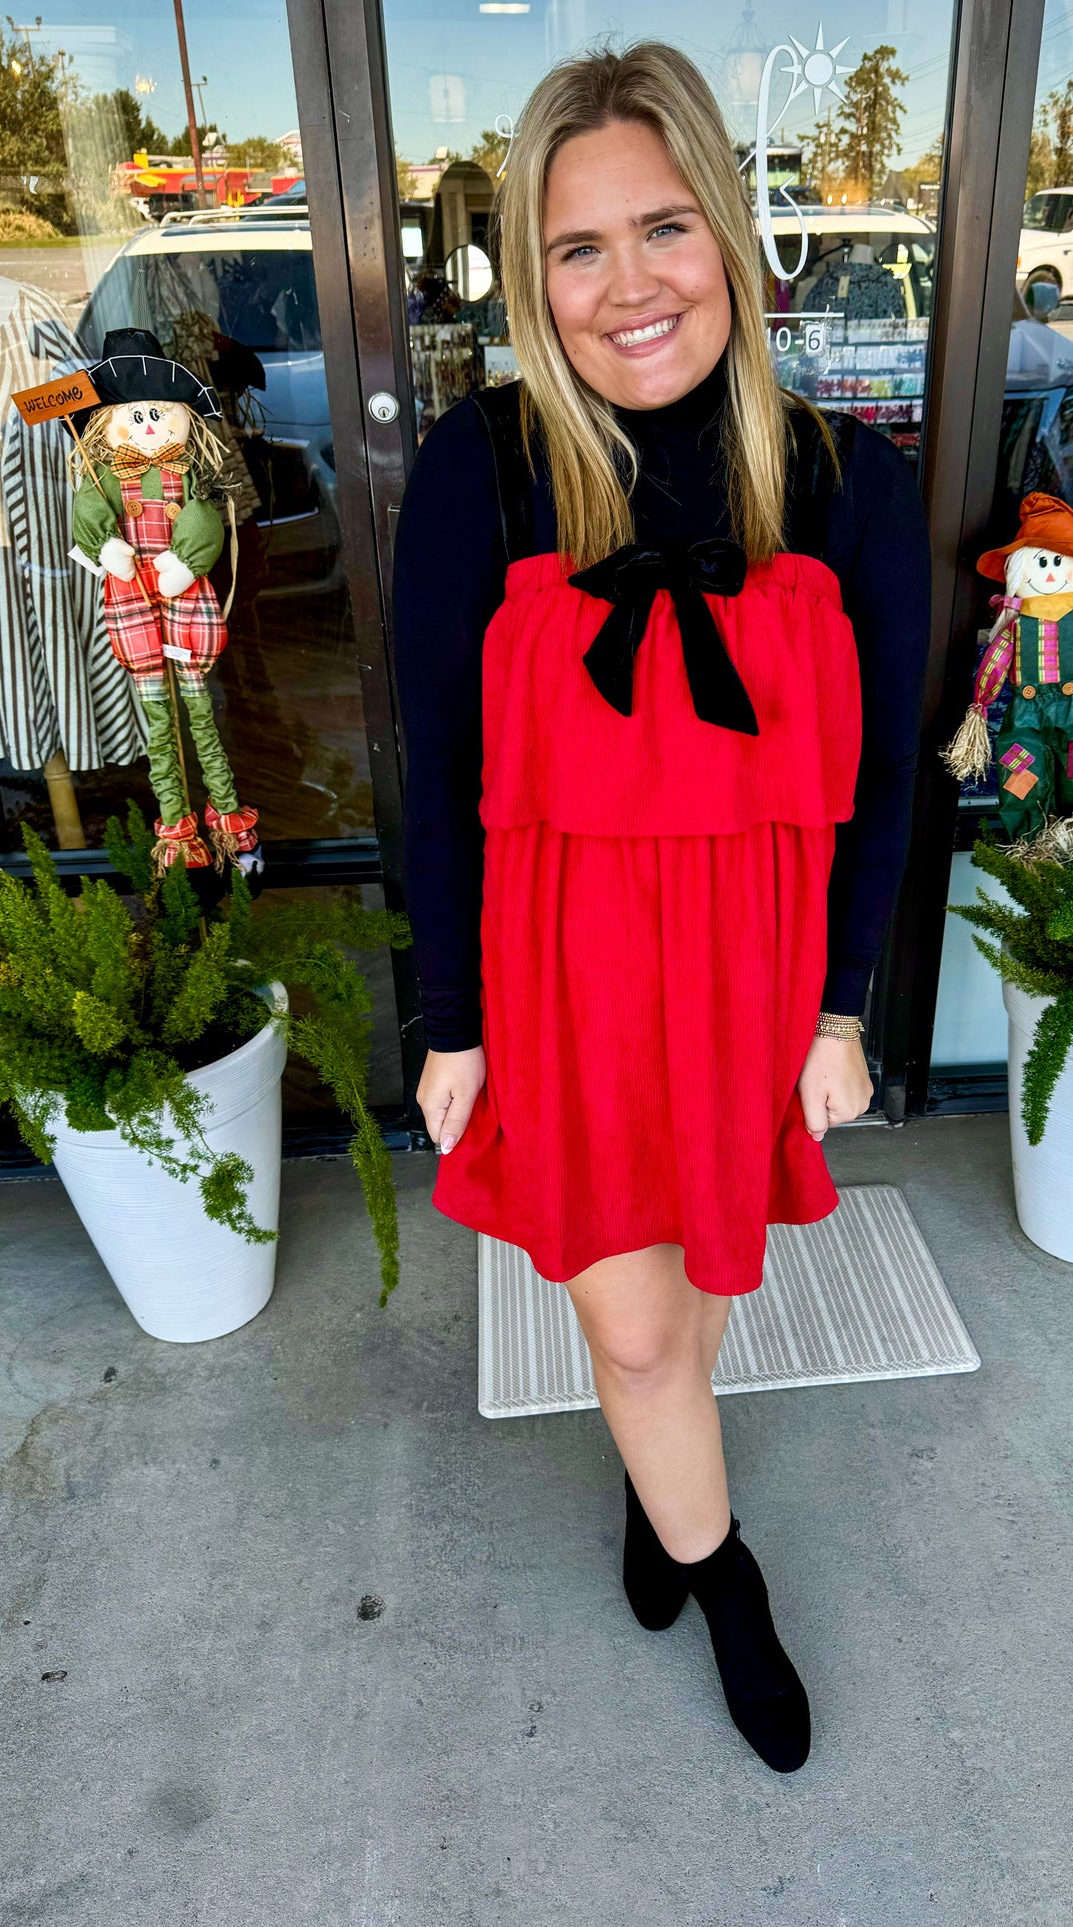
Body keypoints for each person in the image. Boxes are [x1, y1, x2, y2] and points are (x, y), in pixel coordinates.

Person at [393, 40, 930, 1773]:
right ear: (528, 276)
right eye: (576, 247)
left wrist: (844, 1007)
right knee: (630, 1331)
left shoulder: (842, 475)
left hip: (757, 966)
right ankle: (727, 1572)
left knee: (693, 1305)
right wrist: (448, 1018)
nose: (629, 286)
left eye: (665, 227)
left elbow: (883, 782)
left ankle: (659, 1489)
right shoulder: (485, 466)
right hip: (563, 974)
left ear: (732, 240)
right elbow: (434, 758)